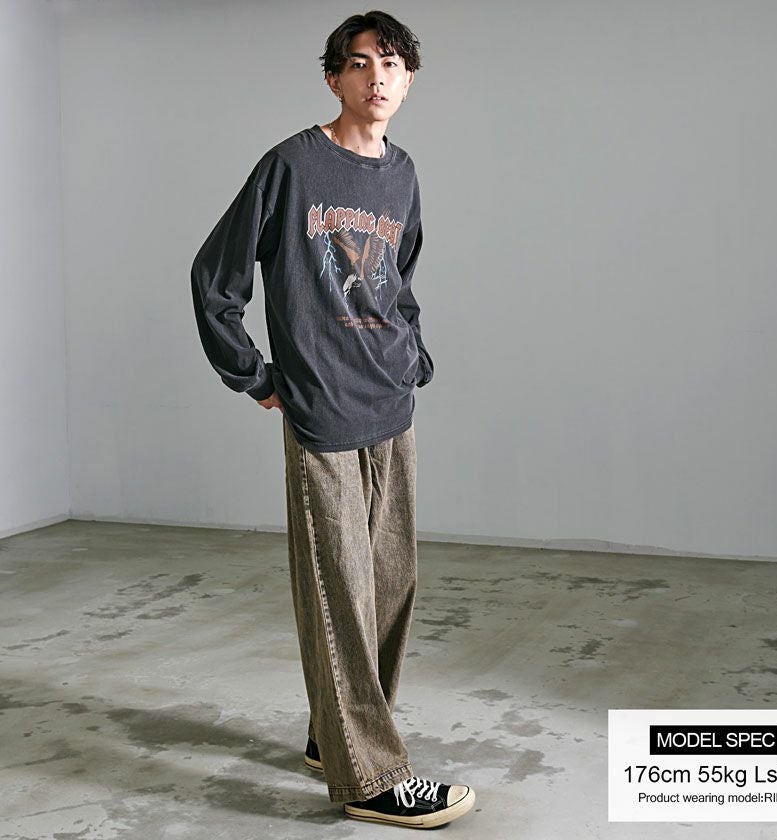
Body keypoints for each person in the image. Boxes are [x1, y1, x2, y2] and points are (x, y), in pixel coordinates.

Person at [190, 9, 476, 830]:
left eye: (391, 63)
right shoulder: (291, 166)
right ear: (333, 78)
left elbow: (400, 278)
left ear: (409, 79)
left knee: (389, 588)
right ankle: (372, 778)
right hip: (321, 410)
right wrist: (253, 375)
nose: (376, 77)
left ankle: (336, 736)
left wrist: (412, 356)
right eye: (359, 63)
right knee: (340, 593)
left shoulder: (403, 173)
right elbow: (215, 278)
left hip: (391, 406)